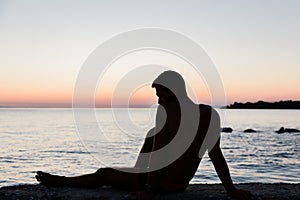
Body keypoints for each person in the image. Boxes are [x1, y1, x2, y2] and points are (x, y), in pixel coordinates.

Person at [36, 71, 252, 200]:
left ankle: (61, 181)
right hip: (180, 184)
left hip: (160, 184)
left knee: (104, 174)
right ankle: (138, 176)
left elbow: (159, 153)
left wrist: (148, 190)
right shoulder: (210, 114)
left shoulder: (166, 112)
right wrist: (230, 190)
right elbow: (216, 155)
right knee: (151, 135)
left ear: (173, 92)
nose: (158, 102)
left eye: (161, 96)